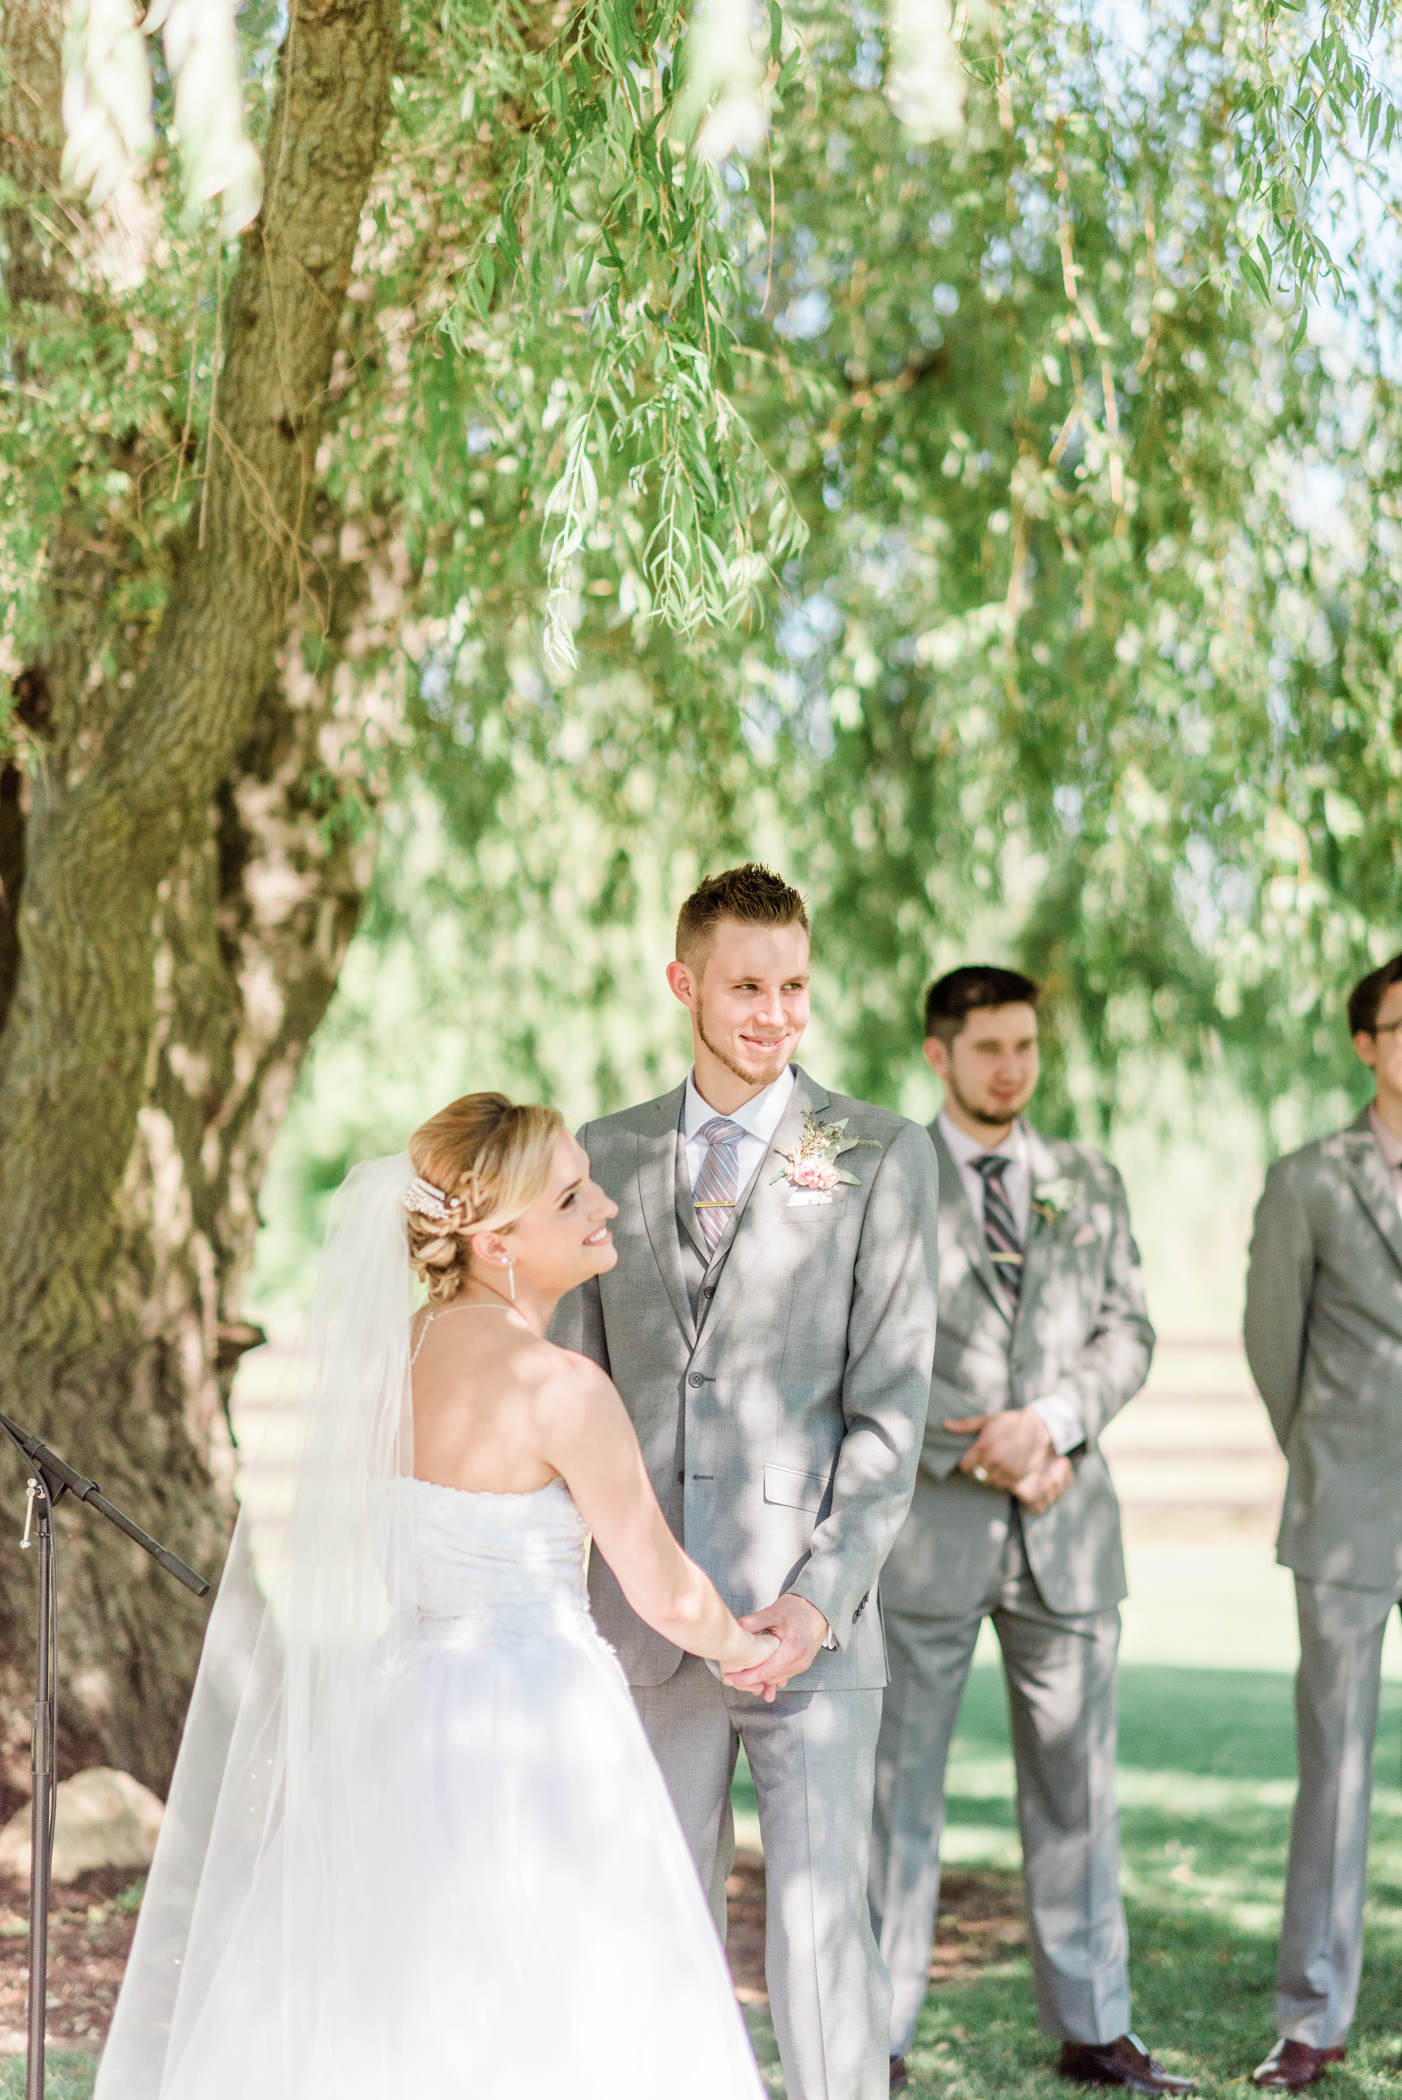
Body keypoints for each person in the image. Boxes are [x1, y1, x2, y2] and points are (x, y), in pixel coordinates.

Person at [95, 1092, 782, 2100]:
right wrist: (745, 1645)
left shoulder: (390, 1362)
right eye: (569, 1196)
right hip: (542, 1719)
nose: (603, 1203)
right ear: (499, 1242)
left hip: (399, 1714)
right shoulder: (558, 1387)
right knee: (554, 1997)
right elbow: (664, 1589)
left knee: (391, 1991)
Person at [550, 862, 941, 2100]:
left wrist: (817, 1603)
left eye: (794, 988)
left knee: (826, 1947)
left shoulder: (879, 1152)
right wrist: (609, 1590)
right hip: (646, 1623)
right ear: (684, 983)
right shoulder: (600, 1154)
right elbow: (576, 1391)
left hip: (807, 1627)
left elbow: (891, 1412)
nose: (774, 1013)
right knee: (658, 1931)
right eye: (747, 986)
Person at [870, 965, 1192, 2098]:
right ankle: (879, 2036)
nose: (1012, 1067)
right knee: (896, 1791)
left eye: (1025, 1046)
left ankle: (1095, 2029)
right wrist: (969, 1445)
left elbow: (1128, 1331)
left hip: (1065, 1526)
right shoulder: (882, 1178)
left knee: (1076, 1790)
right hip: (928, 1533)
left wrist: (1049, 1424)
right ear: (937, 1054)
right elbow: (853, 1350)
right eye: (988, 1047)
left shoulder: (1088, 1180)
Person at [1243, 953, 1402, 2091]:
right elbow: (1271, 1347)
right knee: (1335, 1769)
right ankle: (1310, 2019)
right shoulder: (1307, 1178)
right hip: (1346, 1511)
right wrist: (1328, 1454)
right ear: (1365, 1043)